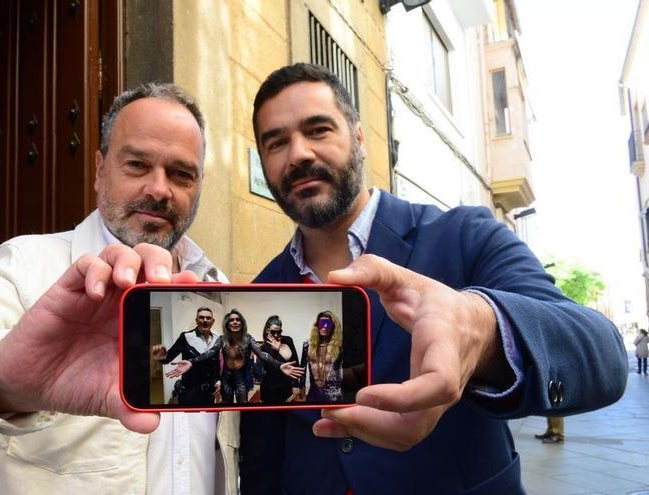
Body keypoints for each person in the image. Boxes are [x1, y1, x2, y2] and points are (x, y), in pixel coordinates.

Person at [239, 63, 627, 494]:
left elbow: (601, 355)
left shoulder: (465, 236)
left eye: (318, 130)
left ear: (360, 139)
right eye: (276, 143)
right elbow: (263, 456)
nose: (298, 154)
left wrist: (479, 328)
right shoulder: (260, 291)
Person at [0, 83, 240, 494]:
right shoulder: (30, 263)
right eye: (137, 164)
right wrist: (4, 381)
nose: (159, 189)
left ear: (199, 184)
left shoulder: (216, 288)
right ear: (100, 170)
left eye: (181, 173)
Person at [169, 309, 303, 403]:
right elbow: (210, 352)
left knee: (242, 408)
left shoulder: (248, 339)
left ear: (242, 323)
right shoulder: (222, 339)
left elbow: (262, 355)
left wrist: (279, 366)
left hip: (241, 377)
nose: (234, 322)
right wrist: (192, 361)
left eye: (238, 320)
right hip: (226, 377)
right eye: (231, 320)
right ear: (227, 323)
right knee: (227, 408)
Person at [151, 307, 221, 405]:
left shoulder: (217, 339)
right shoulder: (186, 337)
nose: (205, 320)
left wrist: (218, 381)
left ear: (212, 321)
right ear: (196, 320)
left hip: (210, 391)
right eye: (201, 317)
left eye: (208, 318)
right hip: (189, 391)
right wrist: (160, 355)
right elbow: (167, 359)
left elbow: (216, 364)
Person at [296, 311, 344, 402]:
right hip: (314, 392)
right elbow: (303, 367)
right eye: (322, 323)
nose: (325, 327)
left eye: (328, 324)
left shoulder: (339, 346)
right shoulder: (307, 345)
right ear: (317, 326)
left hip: (333, 393)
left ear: (333, 326)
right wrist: (301, 387)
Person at [258, 315, 299, 404]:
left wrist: (296, 384)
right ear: (267, 330)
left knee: (285, 415)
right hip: (269, 387)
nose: (276, 335)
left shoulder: (287, 340)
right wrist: (276, 351)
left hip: (285, 386)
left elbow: (294, 362)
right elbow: (269, 368)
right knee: (269, 415)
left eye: (279, 332)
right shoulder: (263, 348)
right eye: (273, 332)